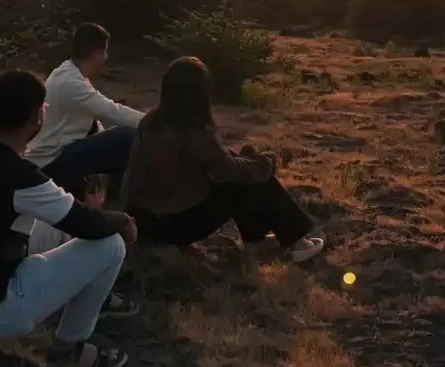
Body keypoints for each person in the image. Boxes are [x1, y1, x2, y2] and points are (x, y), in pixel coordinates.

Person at [0, 70, 137, 367]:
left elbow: (70, 216)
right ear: (38, 117)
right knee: (111, 244)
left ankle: (92, 296)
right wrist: (123, 220)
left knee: (58, 224)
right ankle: (69, 347)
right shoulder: (19, 177)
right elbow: (85, 222)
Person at [122, 56, 324, 263]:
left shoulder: (151, 121)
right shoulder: (191, 130)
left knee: (245, 171)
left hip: (143, 221)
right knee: (249, 177)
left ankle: (257, 241)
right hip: (171, 225)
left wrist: (248, 161)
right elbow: (229, 170)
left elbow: (216, 161)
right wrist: (266, 164)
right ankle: (296, 241)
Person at [26, 23, 145, 199]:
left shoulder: (67, 72)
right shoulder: (71, 82)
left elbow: (96, 120)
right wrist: (155, 121)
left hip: (56, 154)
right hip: (51, 161)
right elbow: (112, 111)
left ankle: (111, 190)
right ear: (98, 53)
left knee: (115, 137)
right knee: (127, 136)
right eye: (105, 50)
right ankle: (126, 195)